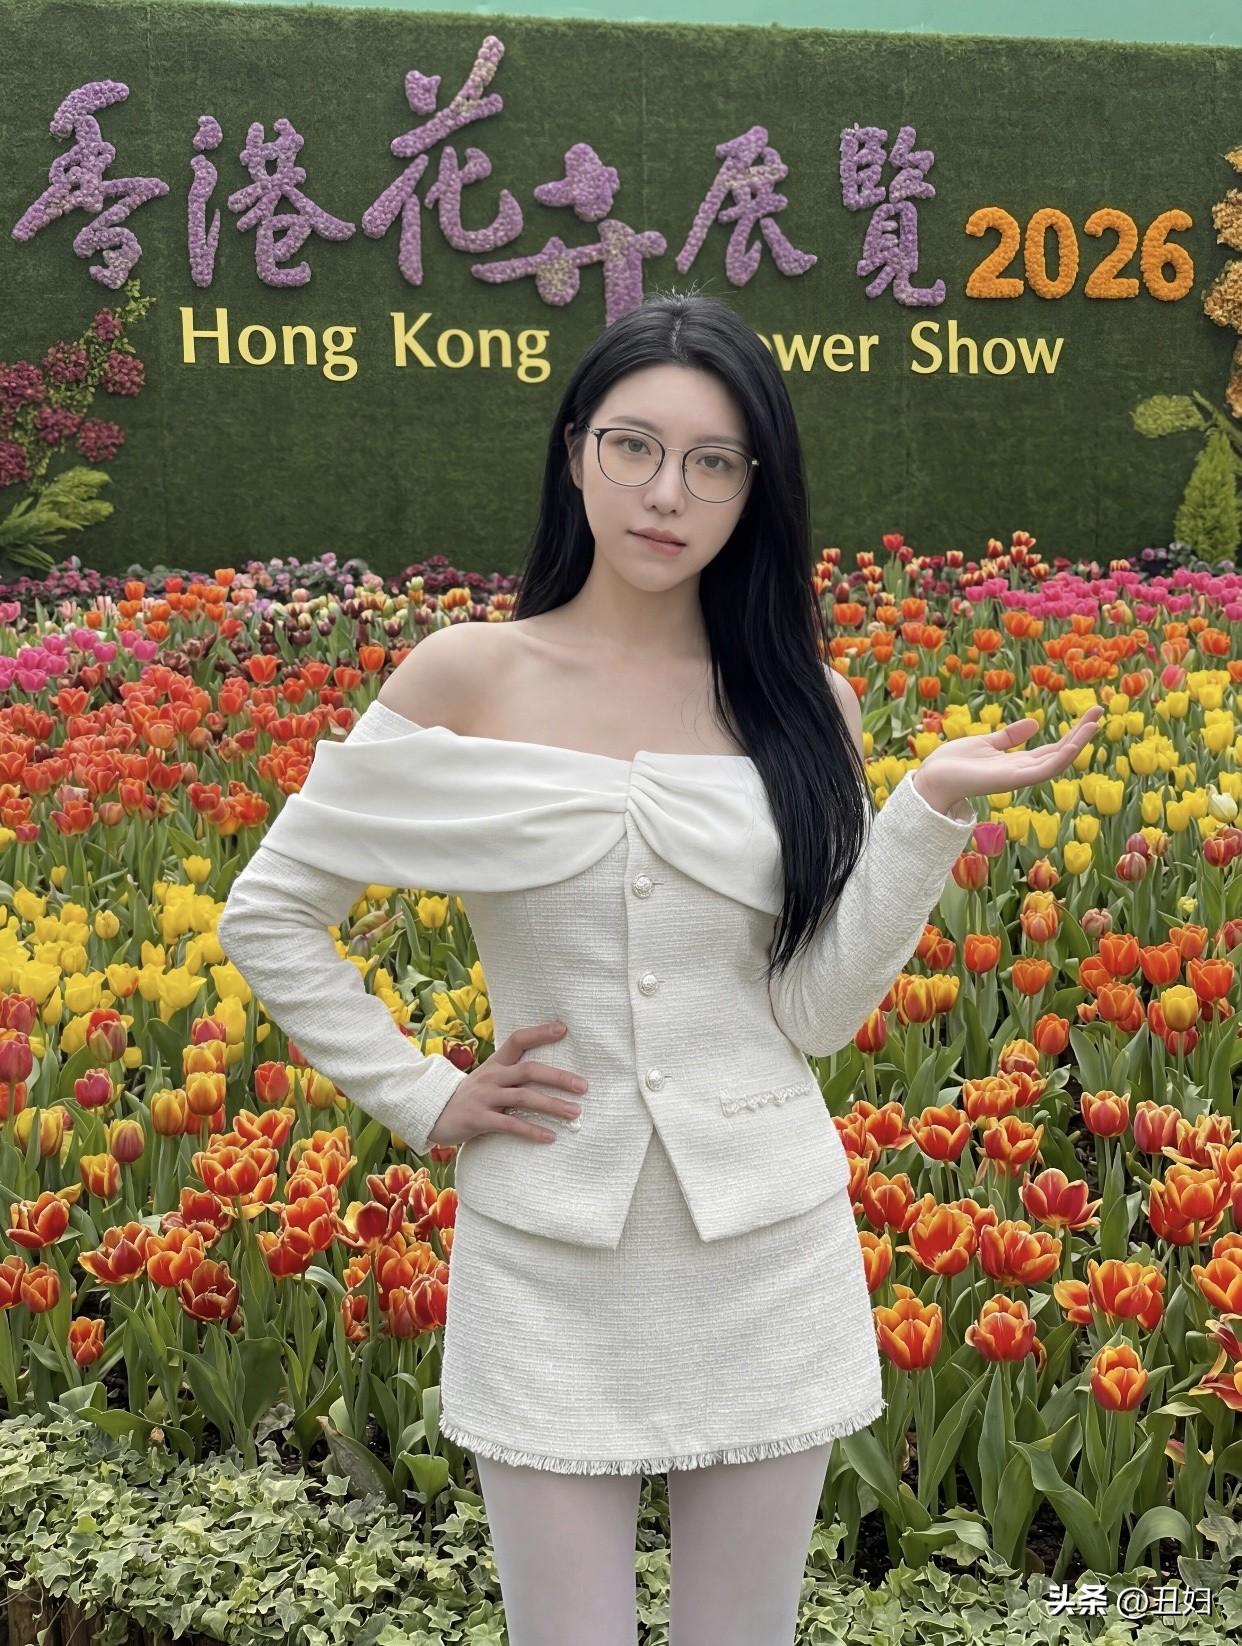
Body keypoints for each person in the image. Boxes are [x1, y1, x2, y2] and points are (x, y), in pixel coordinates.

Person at [216, 289, 1103, 1645]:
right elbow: (272, 912)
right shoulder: (466, 676)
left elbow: (812, 1010)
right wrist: (425, 1094)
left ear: (756, 487)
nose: (666, 493)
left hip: (766, 1246)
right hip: (547, 1250)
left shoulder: (801, 702)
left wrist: (925, 808)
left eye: (712, 461)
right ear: (575, 450)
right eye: (633, 446)